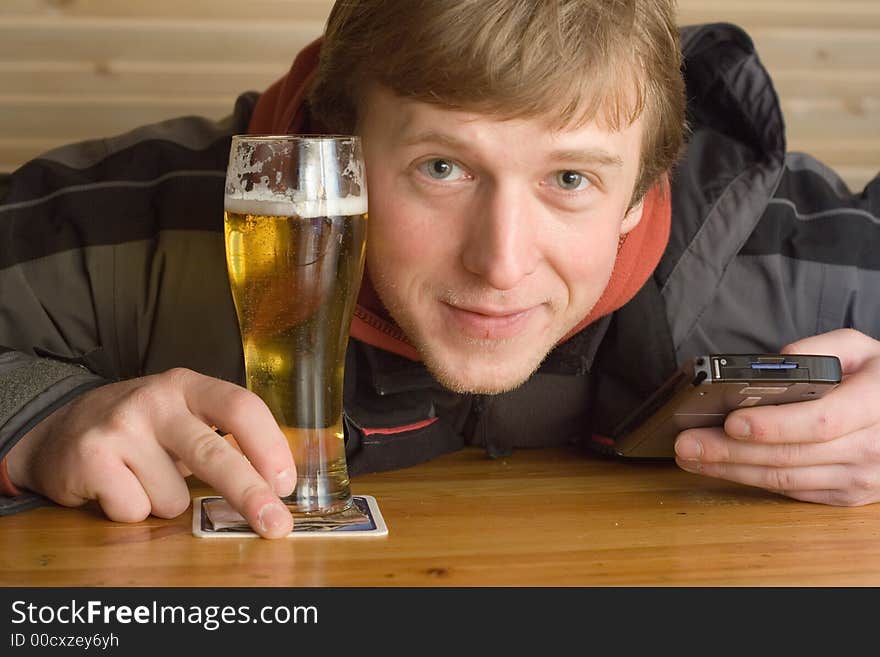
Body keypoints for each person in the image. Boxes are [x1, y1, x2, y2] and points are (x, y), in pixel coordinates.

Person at [1, 0, 878, 538]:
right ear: (332, 145)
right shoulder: (139, 229)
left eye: (570, 179)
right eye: (442, 168)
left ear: (645, 191)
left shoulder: (781, 252)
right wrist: (38, 424)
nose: (499, 262)